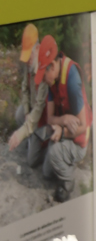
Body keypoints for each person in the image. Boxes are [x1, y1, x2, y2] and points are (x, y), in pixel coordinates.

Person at [30, 34, 90, 202]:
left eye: (43, 73)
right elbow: (50, 118)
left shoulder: (72, 80)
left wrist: (61, 133)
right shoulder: (52, 80)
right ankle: (64, 161)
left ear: (53, 66)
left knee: (55, 152)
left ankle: (68, 181)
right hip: (65, 130)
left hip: (78, 140)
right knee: (47, 173)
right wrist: (62, 121)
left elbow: (83, 126)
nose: (42, 78)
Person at [7, 24, 49, 158]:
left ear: (37, 49)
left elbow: (39, 108)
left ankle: (43, 143)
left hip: (43, 116)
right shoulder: (29, 65)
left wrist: (20, 133)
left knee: (31, 160)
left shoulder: (45, 70)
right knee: (19, 114)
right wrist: (26, 112)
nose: (27, 60)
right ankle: (30, 135)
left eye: (29, 55)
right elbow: (24, 89)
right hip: (32, 110)